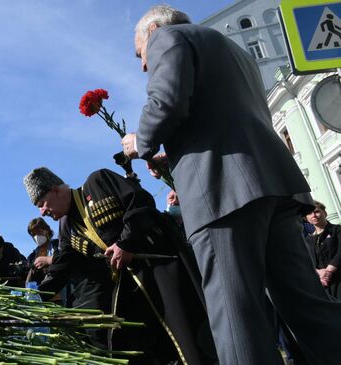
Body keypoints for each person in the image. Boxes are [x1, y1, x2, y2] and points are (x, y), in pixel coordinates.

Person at [120, 5, 341, 364]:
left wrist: (139, 142)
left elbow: (166, 102)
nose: (143, 64)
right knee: (308, 308)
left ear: (156, 28)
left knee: (237, 317)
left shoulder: (168, 37)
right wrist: (171, 157)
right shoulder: (235, 51)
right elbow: (221, 118)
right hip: (273, 186)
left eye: (139, 53)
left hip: (222, 192)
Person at [24, 167, 216, 364]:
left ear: (56, 190)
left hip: (159, 270)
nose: (43, 211)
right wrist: (35, 297)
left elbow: (140, 203)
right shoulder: (66, 226)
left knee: (187, 334)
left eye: (42, 203)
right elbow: (63, 265)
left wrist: (126, 243)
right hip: (129, 291)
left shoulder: (98, 181)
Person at [305, 201, 341, 300]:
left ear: (324, 213)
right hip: (322, 283)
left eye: (316, 211)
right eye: (309, 213)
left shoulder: (337, 230)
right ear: (306, 219)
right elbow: (307, 261)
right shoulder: (307, 240)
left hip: (338, 278)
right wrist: (318, 273)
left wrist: (328, 271)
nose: (313, 215)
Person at [25, 218, 59, 284]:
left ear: (46, 230)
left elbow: (63, 259)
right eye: (33, 234)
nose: (36, 236)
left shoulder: (57, 245)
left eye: (38, 232)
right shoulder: (32, 256)